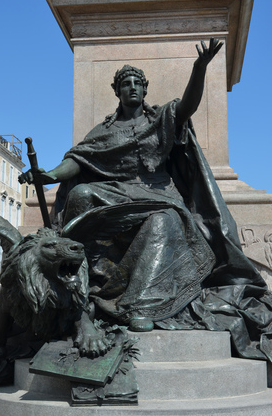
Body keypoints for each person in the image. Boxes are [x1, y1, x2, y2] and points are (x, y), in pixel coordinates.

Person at [19, 40, 272, 364]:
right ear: (118, 90)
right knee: (81, 194)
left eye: (138, 83)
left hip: (157, 195)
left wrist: (199, 68)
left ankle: (141, 305)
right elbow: (80, 161)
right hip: (116, 192)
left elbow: (187, 107)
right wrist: (50, 175)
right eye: (126, 83)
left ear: (145, 88)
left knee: (165, 219)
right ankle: (79, 289)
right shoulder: (104, 130)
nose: (133, 87)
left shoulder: (161, 119)